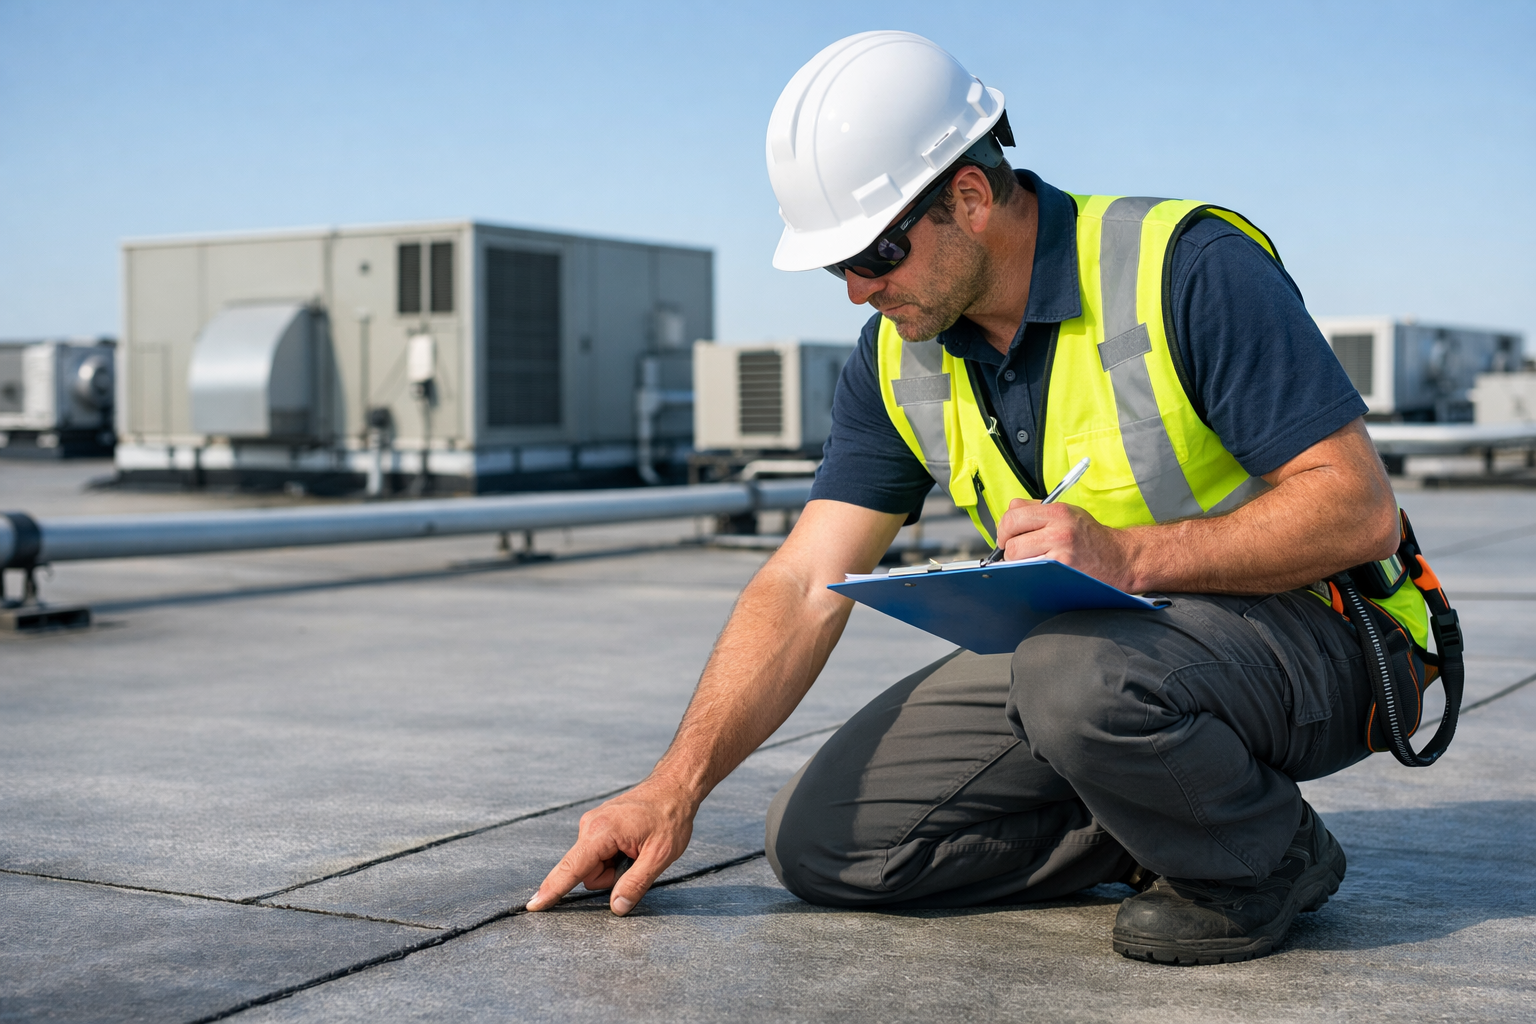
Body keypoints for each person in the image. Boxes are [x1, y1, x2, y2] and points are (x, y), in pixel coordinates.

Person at [529, 31, 1430, 965]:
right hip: (1104, 655)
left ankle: (1266, 857)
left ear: (969, 196)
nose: (858, 291)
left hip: (1328, 633)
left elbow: (1356, 509)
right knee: (827, 843)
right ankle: (1157, 817)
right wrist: (673, 786)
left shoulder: (1186, 268)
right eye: (837, 266)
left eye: (875, 252)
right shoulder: (898, 355)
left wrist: (1128, 556)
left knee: (1070, 677)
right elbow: (802, 581)